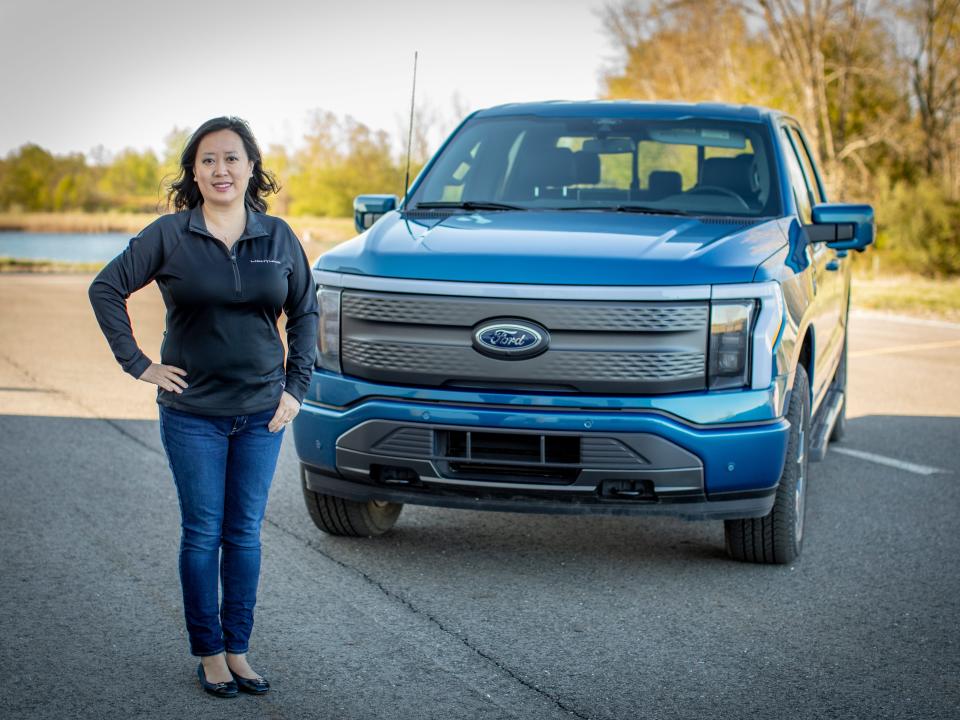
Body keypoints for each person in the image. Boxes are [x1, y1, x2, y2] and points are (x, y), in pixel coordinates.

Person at [89, 116, 319, 698]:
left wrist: (296, 388)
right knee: (203, 533)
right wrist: (139, 364)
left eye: (232, 158)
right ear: (194, 171)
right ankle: (209, 654)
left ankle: (239, 650)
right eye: (209, 160)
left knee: (243, 535)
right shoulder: (169, 235)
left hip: (264, 413)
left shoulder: (279, 236)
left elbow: (307, 313)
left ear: (251, 168)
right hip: (193, 414)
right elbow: (106, 288)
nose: (221, 169)